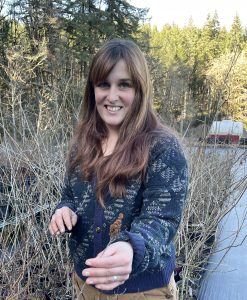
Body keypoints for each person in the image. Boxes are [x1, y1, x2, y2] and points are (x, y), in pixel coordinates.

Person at [48, 38, 188, 300]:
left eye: (124, 85)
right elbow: (69, 194)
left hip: (141, 289)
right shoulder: (82, 144)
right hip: (86, 282)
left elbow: (162, 220)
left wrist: (131, 247)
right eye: (104, 84)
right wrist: (64, 210)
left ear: (139, 89)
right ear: (93, 90)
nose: (111, 96)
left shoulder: (163, 147)